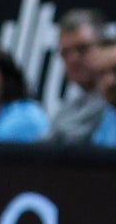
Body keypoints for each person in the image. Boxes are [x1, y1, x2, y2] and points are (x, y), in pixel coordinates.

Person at [46, 9, 107, 144]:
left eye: (82, 49)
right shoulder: (68, 109)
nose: (73, 59)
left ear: (104, 47)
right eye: (65, 52)